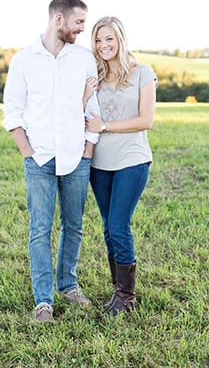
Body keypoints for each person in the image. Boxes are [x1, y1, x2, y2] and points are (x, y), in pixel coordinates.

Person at [2, 0, 100, 322]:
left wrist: (87, 150)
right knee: (39, 230)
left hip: (76, 158)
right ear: (59, 19)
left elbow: (92, 107)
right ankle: (43, 300)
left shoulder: (84, 59)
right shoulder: (24, 60)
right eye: (78, 23)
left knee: (73, 226)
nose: (82, 30)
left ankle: (68, 285)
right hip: (39, 160)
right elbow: (12, 112)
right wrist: (28, 153)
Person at [83, 16, 157, 315]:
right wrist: (86, 96)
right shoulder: (94, 77)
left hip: (132, 159)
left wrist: (104, 127)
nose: (103, 45)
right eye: (98, 40)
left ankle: (127, 297)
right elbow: (82, 113)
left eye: (109, 39)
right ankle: (118, 289)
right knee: (107, 227)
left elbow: (146, 120)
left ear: (121, 40)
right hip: (100, 163)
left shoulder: (143, 73)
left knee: (118, 224)